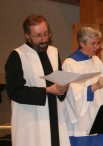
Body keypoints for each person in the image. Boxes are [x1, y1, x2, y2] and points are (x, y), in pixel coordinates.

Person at [5, 14, 70, 146]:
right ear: (27, 36)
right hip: (31, 120)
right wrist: (46, 90)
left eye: (46, 34)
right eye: (38, 35)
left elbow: (59, 78)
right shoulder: (18, 56)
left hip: (54, 115)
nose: (44, 39)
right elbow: (15, 92)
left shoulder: (53, 52)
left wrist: (63, 88)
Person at [62, 27, 103, 146]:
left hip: (97, 117)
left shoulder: (96, 60)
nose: (97, 47)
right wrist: (95, 86)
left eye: (98, 43)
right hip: (80, 122)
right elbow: (72, 97)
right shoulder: (70, 64)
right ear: (82, 43)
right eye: (93, 44)